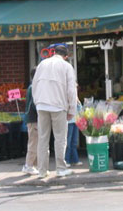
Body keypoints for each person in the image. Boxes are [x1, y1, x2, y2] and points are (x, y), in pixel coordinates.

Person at [32, 44, 77, 178]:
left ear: (54, 52)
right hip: (58, 105)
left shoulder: (42, 64)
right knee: (60, 138)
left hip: (42, 105)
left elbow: (34, 84)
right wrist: (72, 109)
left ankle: (42, 170)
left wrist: (37, 102)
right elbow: (71, 90)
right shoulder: (67, 66)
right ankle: (61, 168)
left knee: (43, 138)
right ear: (66, 56)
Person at [22, 67, 39, 175]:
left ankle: (34, 165)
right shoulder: (33, 87)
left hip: (33, 118)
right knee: (33, 142)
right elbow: (34, 104)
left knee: (36, 142)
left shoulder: (32, 87)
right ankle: (28, 165)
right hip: (33, 119)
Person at [65, 96, 83, 167]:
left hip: (75, 121)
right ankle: (67, 160)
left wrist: (78, 102)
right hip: (68, 122)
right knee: (68, 142)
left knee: (74, 142)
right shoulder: (66, 98)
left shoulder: (75, 98)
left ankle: (75, 160)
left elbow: (80, 110)